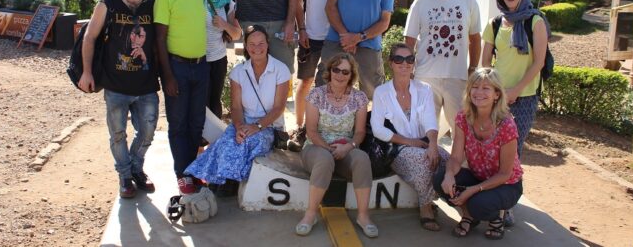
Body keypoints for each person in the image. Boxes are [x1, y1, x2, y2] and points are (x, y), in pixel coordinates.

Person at [78, 0, 161, 198]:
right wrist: (86, 71)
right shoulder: (107, 5)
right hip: (115, 84)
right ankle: (125, 176)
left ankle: (136, 167)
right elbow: (89, 38)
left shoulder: (152, 6)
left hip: (146, 84)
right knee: (117, 134)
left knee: (147, 131)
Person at [185, 25, 290, 190]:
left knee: (249, 142)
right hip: (244, 122)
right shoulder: (239, 72)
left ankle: (230, 182)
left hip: (269, 126)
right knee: (226, 141)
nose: (257, 48)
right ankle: (215, 179)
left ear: (268, 44)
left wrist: (257, 126)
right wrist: (240, 127)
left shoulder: (280, 70)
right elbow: (236, 107)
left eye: (261, 43)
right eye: (252, 44)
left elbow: (278, 108)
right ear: (246, 47)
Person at [433, 68, 523, 240]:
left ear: (497, 94)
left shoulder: (506, 125)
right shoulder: (463, 117)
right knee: (440, 179)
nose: (479, 92)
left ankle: (496, 218)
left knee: (478, 203)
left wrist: (472, 190)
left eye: (486, 88)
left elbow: (505, 174)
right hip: (479, 176)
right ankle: (468, 215)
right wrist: (450, 175)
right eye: (475, 87)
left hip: (506, 184)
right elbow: (456, 158)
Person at [371, 43, 449, 232]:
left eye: (409, 59)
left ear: (414, 63)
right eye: (399, 59)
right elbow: (377, 130)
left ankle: (457, 201)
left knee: (446, 159)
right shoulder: (381, 92)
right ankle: (426, 207)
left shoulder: (424, 89)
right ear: (391, 63)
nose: (404, 64)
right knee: (423, 162)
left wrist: (432, 145)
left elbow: (431, 122)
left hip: (423, 142)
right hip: (397, 148)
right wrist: (410, 142)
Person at [296, 53, 377, 238]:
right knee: (324, 160)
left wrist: (347, 148)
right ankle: (310, 214)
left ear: (351, 75)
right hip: (316, 147)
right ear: (330, 70)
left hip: (345, 148)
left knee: (362, 158)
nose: (340, 75)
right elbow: (311, 131)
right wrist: (329, 149)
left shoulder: (359, 98)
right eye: (336, 69)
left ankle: (363, 216)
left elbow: (359, 133)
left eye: (345, 72)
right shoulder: (316, 95)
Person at [289, 0, 349, 152]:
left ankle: (325, 128)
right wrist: (301, 28)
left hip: (335, 36)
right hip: (310, 34)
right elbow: (297, 1)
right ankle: (300, 127)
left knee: (333, 84)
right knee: (305, 81)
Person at [404, 0, 481, 135]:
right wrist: (408, 70)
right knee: (424, 131)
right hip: (425, 78)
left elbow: (475, 38)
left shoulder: (468, 1)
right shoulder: (420, 3)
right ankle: (427, 163)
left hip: (458, 77)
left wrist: (473, 68)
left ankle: (460, 163)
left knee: (461, 131)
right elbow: (409, 41)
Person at [155, 0, 209, 195]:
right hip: (176, 67)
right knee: (178, 124)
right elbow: (159, 40)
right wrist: (167, 76)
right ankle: (182, 174)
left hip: (201, 66)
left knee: (196, 123)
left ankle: (193, 171)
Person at [481, 0, 550, 156]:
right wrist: (491, 88)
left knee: (512, 151)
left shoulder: (535, 22)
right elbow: (486, 61)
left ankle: (511, 185)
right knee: (491, 147)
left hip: (524, 97)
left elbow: (539, 62)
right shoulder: (494, 24)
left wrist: (516, 90)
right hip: (496, 96)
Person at [201, 0, 242, 118]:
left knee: (214, 101)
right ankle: (198, 141)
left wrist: (224, 24)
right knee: (200, 101)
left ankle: (214, 141)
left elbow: (237, 34)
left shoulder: (228, 3)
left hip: (218, 58)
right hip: (198, 58)